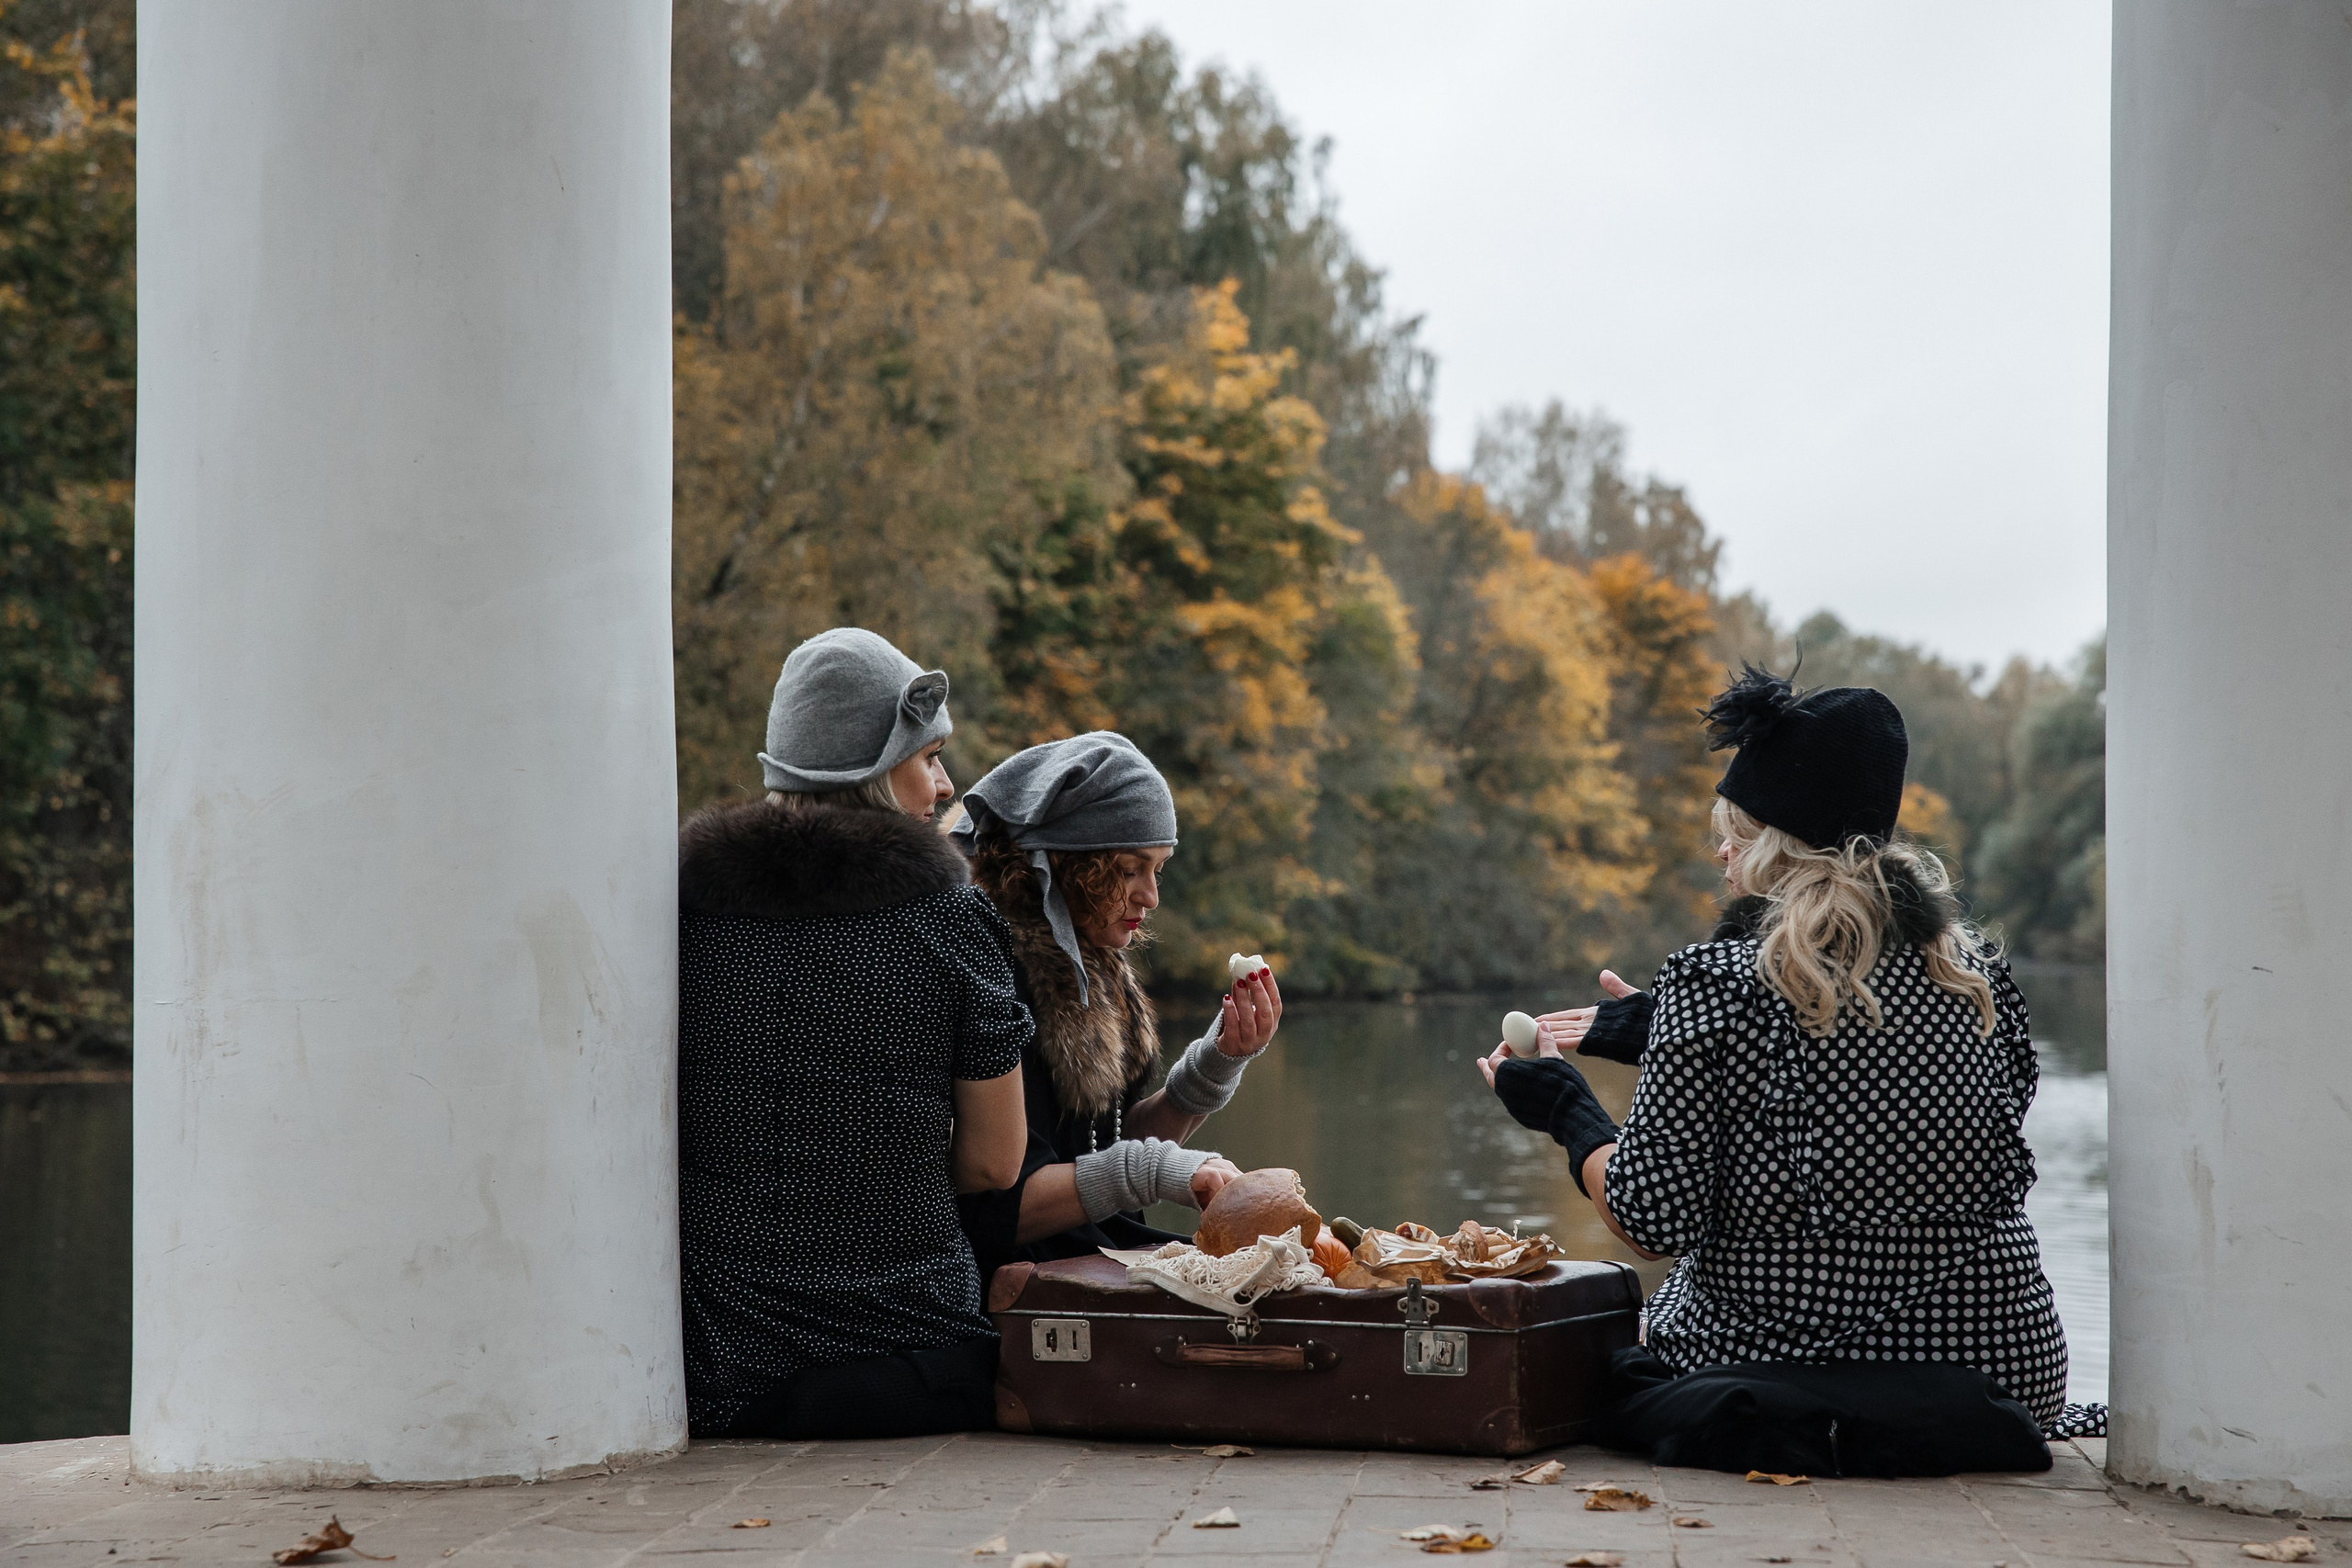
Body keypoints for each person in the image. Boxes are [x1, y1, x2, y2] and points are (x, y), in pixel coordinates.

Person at [1481, 666, 2088, 1475]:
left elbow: (1651, 1219)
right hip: (2007, 1372)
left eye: (1736, 831)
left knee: (1614, 1370)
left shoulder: (1718, 980)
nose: (1722, 853)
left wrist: (1569, 1110)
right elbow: (1884, 1093)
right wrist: (1667, 1031)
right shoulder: (1976, 977)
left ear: (1776, 849)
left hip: (1783, 1360)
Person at [676, 627, 1030, 1439]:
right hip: (908, 1357)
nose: (944, 785)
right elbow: (994, 1159)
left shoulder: (687, 914)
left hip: (725, 1366)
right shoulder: (947, 919)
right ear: (874, 772)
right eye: (927, 757)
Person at [950, 732, 1281, 1274]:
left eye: (1158, 869)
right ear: (1068, 864)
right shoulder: (996, 971)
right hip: (1012, 1285)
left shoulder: (1093, 959)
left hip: (1086, 1262)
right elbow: (996, 1212)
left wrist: (1216, 1063)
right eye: (1131, 870)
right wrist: (1155, 1170)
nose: (1151, 896)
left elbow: (1104, 1149)